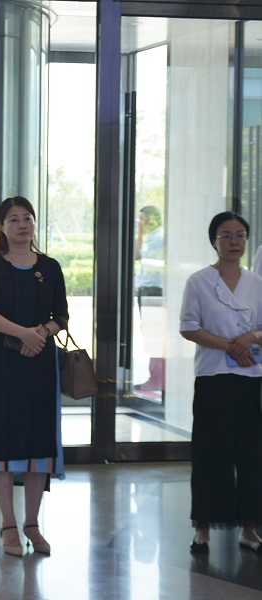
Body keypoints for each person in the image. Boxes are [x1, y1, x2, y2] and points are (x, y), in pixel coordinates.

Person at [0, 196, 68, 557]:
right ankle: (8, 524)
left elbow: (62, 316)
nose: (22, 224)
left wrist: (39, 334)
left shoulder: (50, 266)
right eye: (13, 219)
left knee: (37, 439)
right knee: (2, 437)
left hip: (41, 362)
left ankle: (33, 524)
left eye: (27, 218)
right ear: (1, 226)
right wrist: (22, 333)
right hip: (3, 364)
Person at [179, 211, 262, 554]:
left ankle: (249, 528)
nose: (234, 242)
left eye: (240, 235)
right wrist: (230, 345)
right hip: (213, 376)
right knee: (211, 452)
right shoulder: (198, 281)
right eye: (226, 236)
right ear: (214, 241)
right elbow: (189, 327)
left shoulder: (256, 282)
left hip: (250, 375)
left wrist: (251, 338)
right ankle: (203, 529)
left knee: (251, 454)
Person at [134, 205, 165, 391]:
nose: (140, 223)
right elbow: (137, 255)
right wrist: (139, 234)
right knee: (150, 335)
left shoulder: (160, 238)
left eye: (142, 219)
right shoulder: (150, 237)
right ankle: (155, 376)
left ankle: (157, 378)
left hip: (154, 289)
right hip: (147, 288)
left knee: (154, 336)